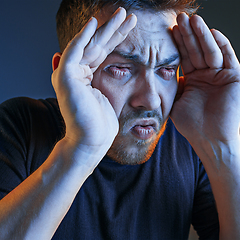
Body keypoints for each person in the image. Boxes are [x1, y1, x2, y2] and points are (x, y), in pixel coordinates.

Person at [0, 0, 239, 239]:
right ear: (64, 73)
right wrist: (81, 149)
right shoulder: (19, 126)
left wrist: (223, 146)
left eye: (166, 70)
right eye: (121, 69)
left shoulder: (190, 139)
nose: (152, 100)